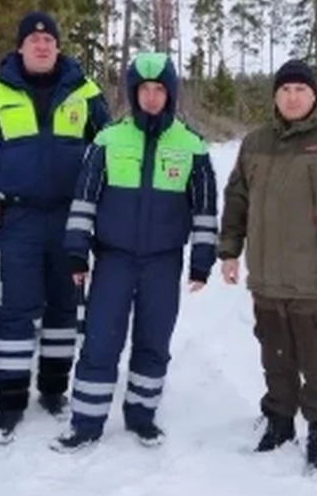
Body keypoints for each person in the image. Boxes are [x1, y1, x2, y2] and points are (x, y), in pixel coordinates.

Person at [0, 11, 111, 445]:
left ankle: (53, 391)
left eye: (49, 40)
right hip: (20, 217)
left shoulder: (85, 90)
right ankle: (9, 404)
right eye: (34, 40)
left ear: (58, 46)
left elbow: (109, 151)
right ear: (20, 47)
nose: (42, 46)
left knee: (64, 308)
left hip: (71, 218)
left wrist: (112, 207)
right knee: (16, 309)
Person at [216, 58, 317, 475]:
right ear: (275, 96)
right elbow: (237, 201)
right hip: (267, 278)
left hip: (316, 280)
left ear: (314, 96)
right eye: (285, 89)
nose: (292, 97)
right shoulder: (255, 143)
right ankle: (280, 421)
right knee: (276, 356)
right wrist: (229, 251)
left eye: (300, 90)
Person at [50, 51, 218, 452]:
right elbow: (84, 201)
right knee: (100, 340)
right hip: (113, 259)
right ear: (133, 93)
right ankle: (86, 423)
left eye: (160, 89)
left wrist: (201, 261)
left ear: (171, 93)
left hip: (163, 261)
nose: (152, 97)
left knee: (153, 340)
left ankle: (142, 416)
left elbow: (205, 209)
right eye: (144, 89)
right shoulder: (107, 140)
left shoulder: (191, 146)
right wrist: (77, 253)